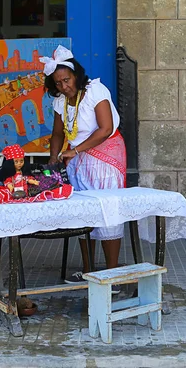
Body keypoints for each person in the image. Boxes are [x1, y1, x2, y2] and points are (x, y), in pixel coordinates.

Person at [40, 45, 126, 292]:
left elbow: (105, 128)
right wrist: (53, 158)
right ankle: (89, 273)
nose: (64, 86)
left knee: (107, 213)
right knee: (83, 213)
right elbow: (57, 134)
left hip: (105, 157)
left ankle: (110, 276)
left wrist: (75, 151)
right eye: (58, 83)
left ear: (76, 74)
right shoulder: (60, 102)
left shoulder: (95, 90)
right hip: (78, 160)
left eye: (66, 80)